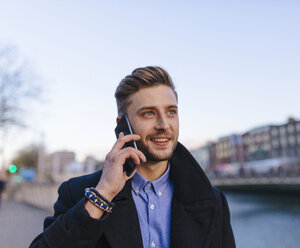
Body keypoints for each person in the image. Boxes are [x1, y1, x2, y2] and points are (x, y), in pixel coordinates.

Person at [30, 66, 235, 248]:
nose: (164, 124)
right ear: (122, 124)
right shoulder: (77, 193)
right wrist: (102, 196)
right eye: (149, 113)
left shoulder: (213, 201)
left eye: (171, 112)